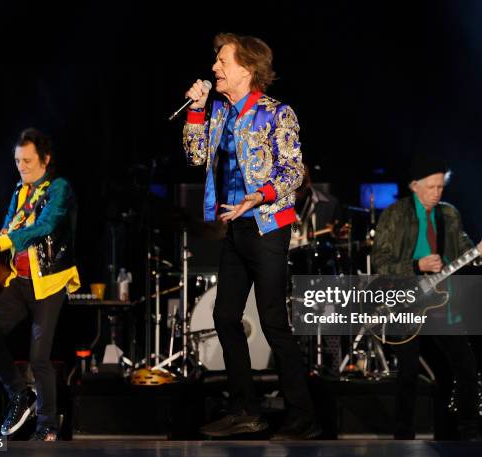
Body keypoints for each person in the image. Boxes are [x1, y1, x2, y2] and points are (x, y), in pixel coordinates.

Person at [182, 33, 320, 440]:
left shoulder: (276, 113)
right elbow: (195, 157)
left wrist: (256, 198)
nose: (214, 68)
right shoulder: (221, 113)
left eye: (221, 61)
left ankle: (303, 416)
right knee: (225, 317)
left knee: (275, 322)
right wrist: (196, 110)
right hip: (236, 228)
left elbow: (293, 172)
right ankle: (245, 409)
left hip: (268, 227)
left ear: (246, 68)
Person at [371, 155, 482, 440]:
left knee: (465, 365)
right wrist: (417, 266)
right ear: (414, 186)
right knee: (409, 370)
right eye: (431, 187)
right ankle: (403, 432)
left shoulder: (449, 213)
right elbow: (380, 262)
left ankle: (468, 428)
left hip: (441, 302)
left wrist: (479, 252)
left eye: (440, 187)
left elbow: (463, 248)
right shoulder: (394, 214)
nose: (437, 193)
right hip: (405, 299)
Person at [0, 128, 80, 441]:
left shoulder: (59, 189)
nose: (22, 167)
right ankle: (21, 395)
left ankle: (48, 426)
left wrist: (2, 241)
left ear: (46, 160)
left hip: (48, 282)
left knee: (39, 357)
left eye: (28, 161)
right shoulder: (21, 191)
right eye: (18, 161)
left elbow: (45, 225)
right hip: (20, 280)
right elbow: (8, 229)